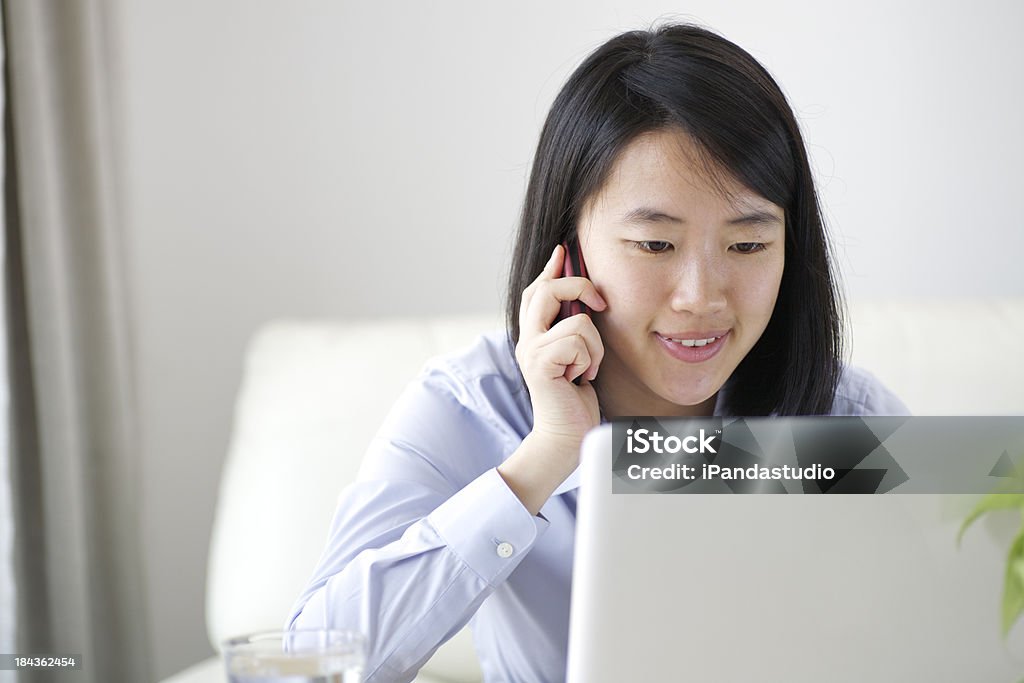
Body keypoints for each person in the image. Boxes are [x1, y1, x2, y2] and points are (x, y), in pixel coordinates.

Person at [285, 23, 908, 682]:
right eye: (655, 245)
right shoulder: (472, 405)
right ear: (570, 246)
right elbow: (301, 671)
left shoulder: (849, 417)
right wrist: (542, 459)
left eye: (747, 246)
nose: (701, 297)